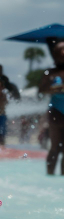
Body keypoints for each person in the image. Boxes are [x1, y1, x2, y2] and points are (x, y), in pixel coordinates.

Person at [39, 39, 64, 175]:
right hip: (56, 112)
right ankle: (49, 175)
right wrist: (55, 89)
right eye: (61, 50)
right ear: (56, 54)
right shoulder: (51, 73)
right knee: (55, 146)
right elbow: (41, 90)